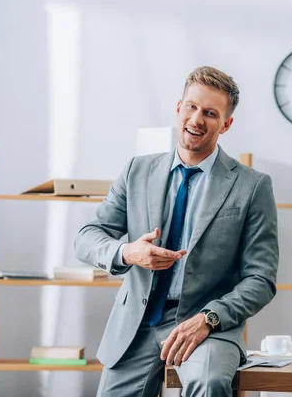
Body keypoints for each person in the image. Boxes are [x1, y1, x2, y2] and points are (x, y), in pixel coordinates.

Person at [75, 66, 279, 397]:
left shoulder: (252, 186)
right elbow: (87, 236)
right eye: (192, 107)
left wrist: (210, 318)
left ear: (226, 124)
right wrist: (128, 252)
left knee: (209, 383)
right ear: (179, 108)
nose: (197, 119)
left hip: (207, 324)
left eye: (210, 113)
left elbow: (261, 279)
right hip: (137, 322)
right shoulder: (136, 170)